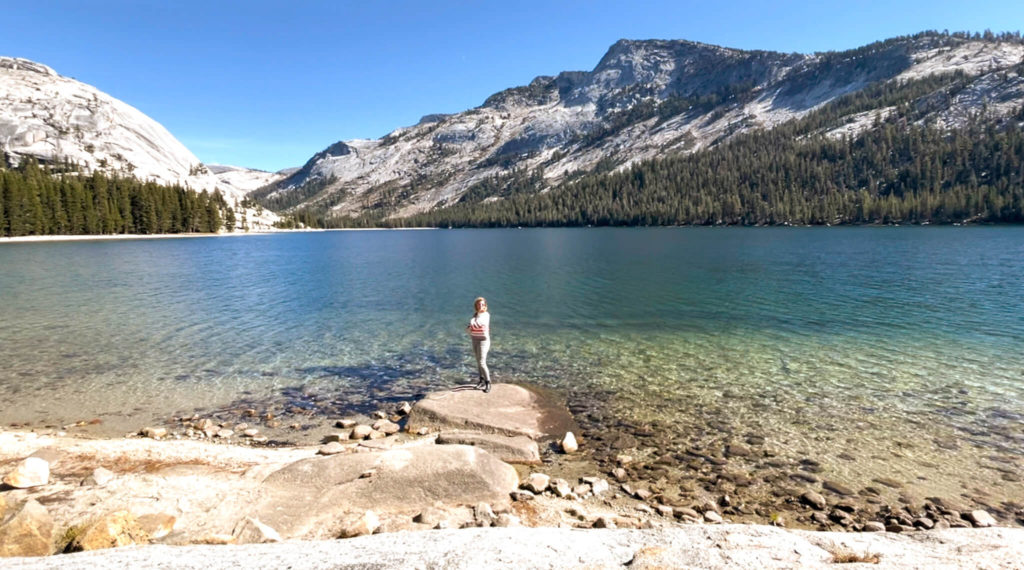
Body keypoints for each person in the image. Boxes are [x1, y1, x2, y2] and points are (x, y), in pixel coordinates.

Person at [466, 296, 492, 392]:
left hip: (483, 341)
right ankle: (481, 381)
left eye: (482, 304)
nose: (480, 306)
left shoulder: (486, 315)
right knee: (478, 362)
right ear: (476, 306)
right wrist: (471, 326)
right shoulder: (475, 315)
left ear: (485, 305)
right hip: (474, 339)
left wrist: (472, 324)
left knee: (482, 362)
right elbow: (469, 328)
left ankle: (488, 383)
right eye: (478, 304)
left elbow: (479, 324)